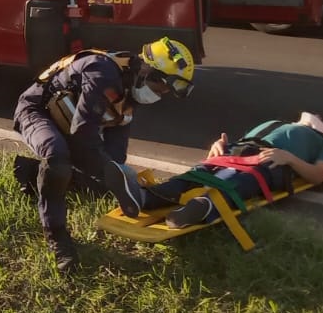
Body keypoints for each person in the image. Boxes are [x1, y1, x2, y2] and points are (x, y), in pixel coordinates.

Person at [12, 37, 196, 271]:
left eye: (165, 92)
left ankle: (32, 174)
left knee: (104, 180)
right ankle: (58, 239)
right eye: (159, 88)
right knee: (58, 158)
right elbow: (83, 134)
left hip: (70, 121)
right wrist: (112, 173)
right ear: (147, 70)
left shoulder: (131, 89)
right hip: (36, 112)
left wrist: (121, 179)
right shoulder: (102, 72)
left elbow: (114, 156)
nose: (159, 94)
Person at [96, 113, 323, 230]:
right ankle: (145, 197)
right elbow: (244, 143)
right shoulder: (274, 123)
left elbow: (320, 174)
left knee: (240, 178)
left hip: (271, 162)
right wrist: (218, 146)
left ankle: (204, 207)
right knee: (197, 174)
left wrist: (289, 158)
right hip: (235, 152)